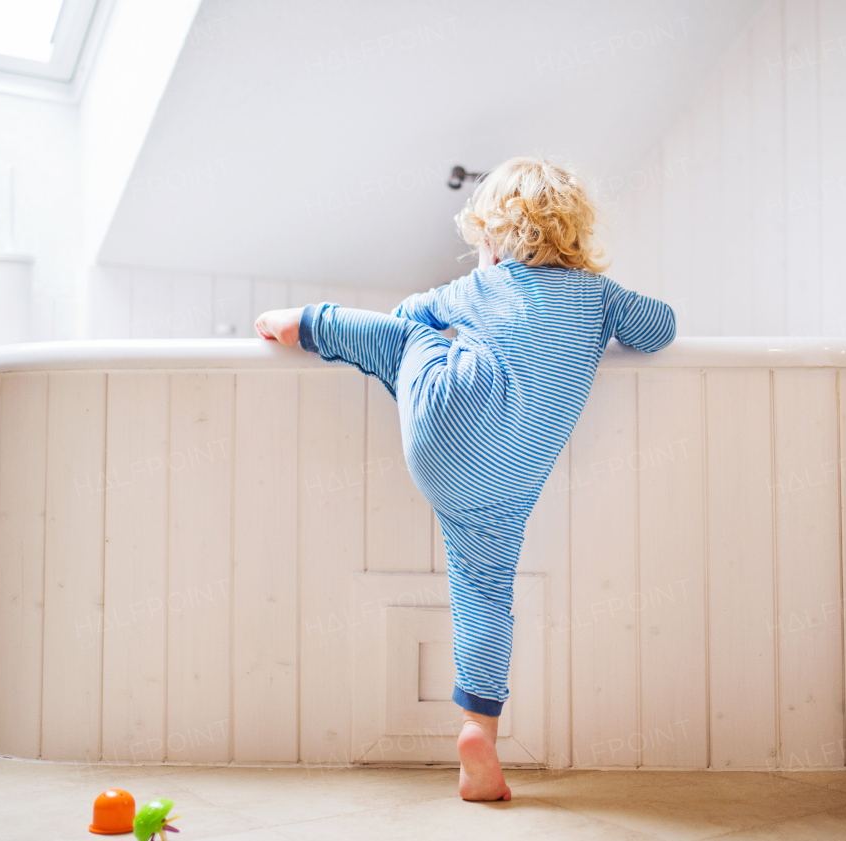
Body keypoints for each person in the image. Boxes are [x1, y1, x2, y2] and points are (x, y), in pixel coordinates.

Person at [255, 157, 675, 800]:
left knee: (400, 344)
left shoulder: (480, 288)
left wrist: (475, 304)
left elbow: (406, 316)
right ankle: (479, 727)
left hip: (440, 439)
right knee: (485, 592)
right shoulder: (599, 297)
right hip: (506, 483)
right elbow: (662, 328)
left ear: (493, 237)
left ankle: (309, 322)